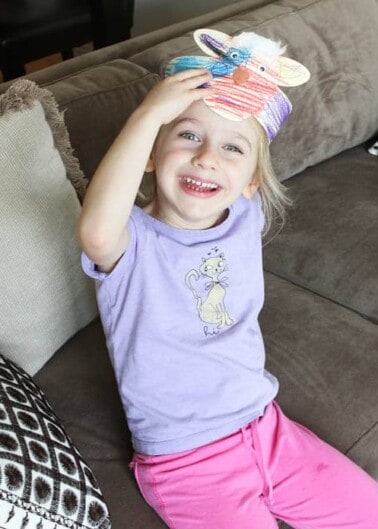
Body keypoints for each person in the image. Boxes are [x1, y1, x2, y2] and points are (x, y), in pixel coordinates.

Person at [79, 29, 378, 529]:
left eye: (231, 150)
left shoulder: (244, 212)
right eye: (188, 135)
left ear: (252, 182)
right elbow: (93, 229)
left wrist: (253, 65)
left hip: (269, 430)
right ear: (150, 154)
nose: (207, 158)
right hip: (186, 461)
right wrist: (149, 113)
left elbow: (258, 123)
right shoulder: (130, 241)